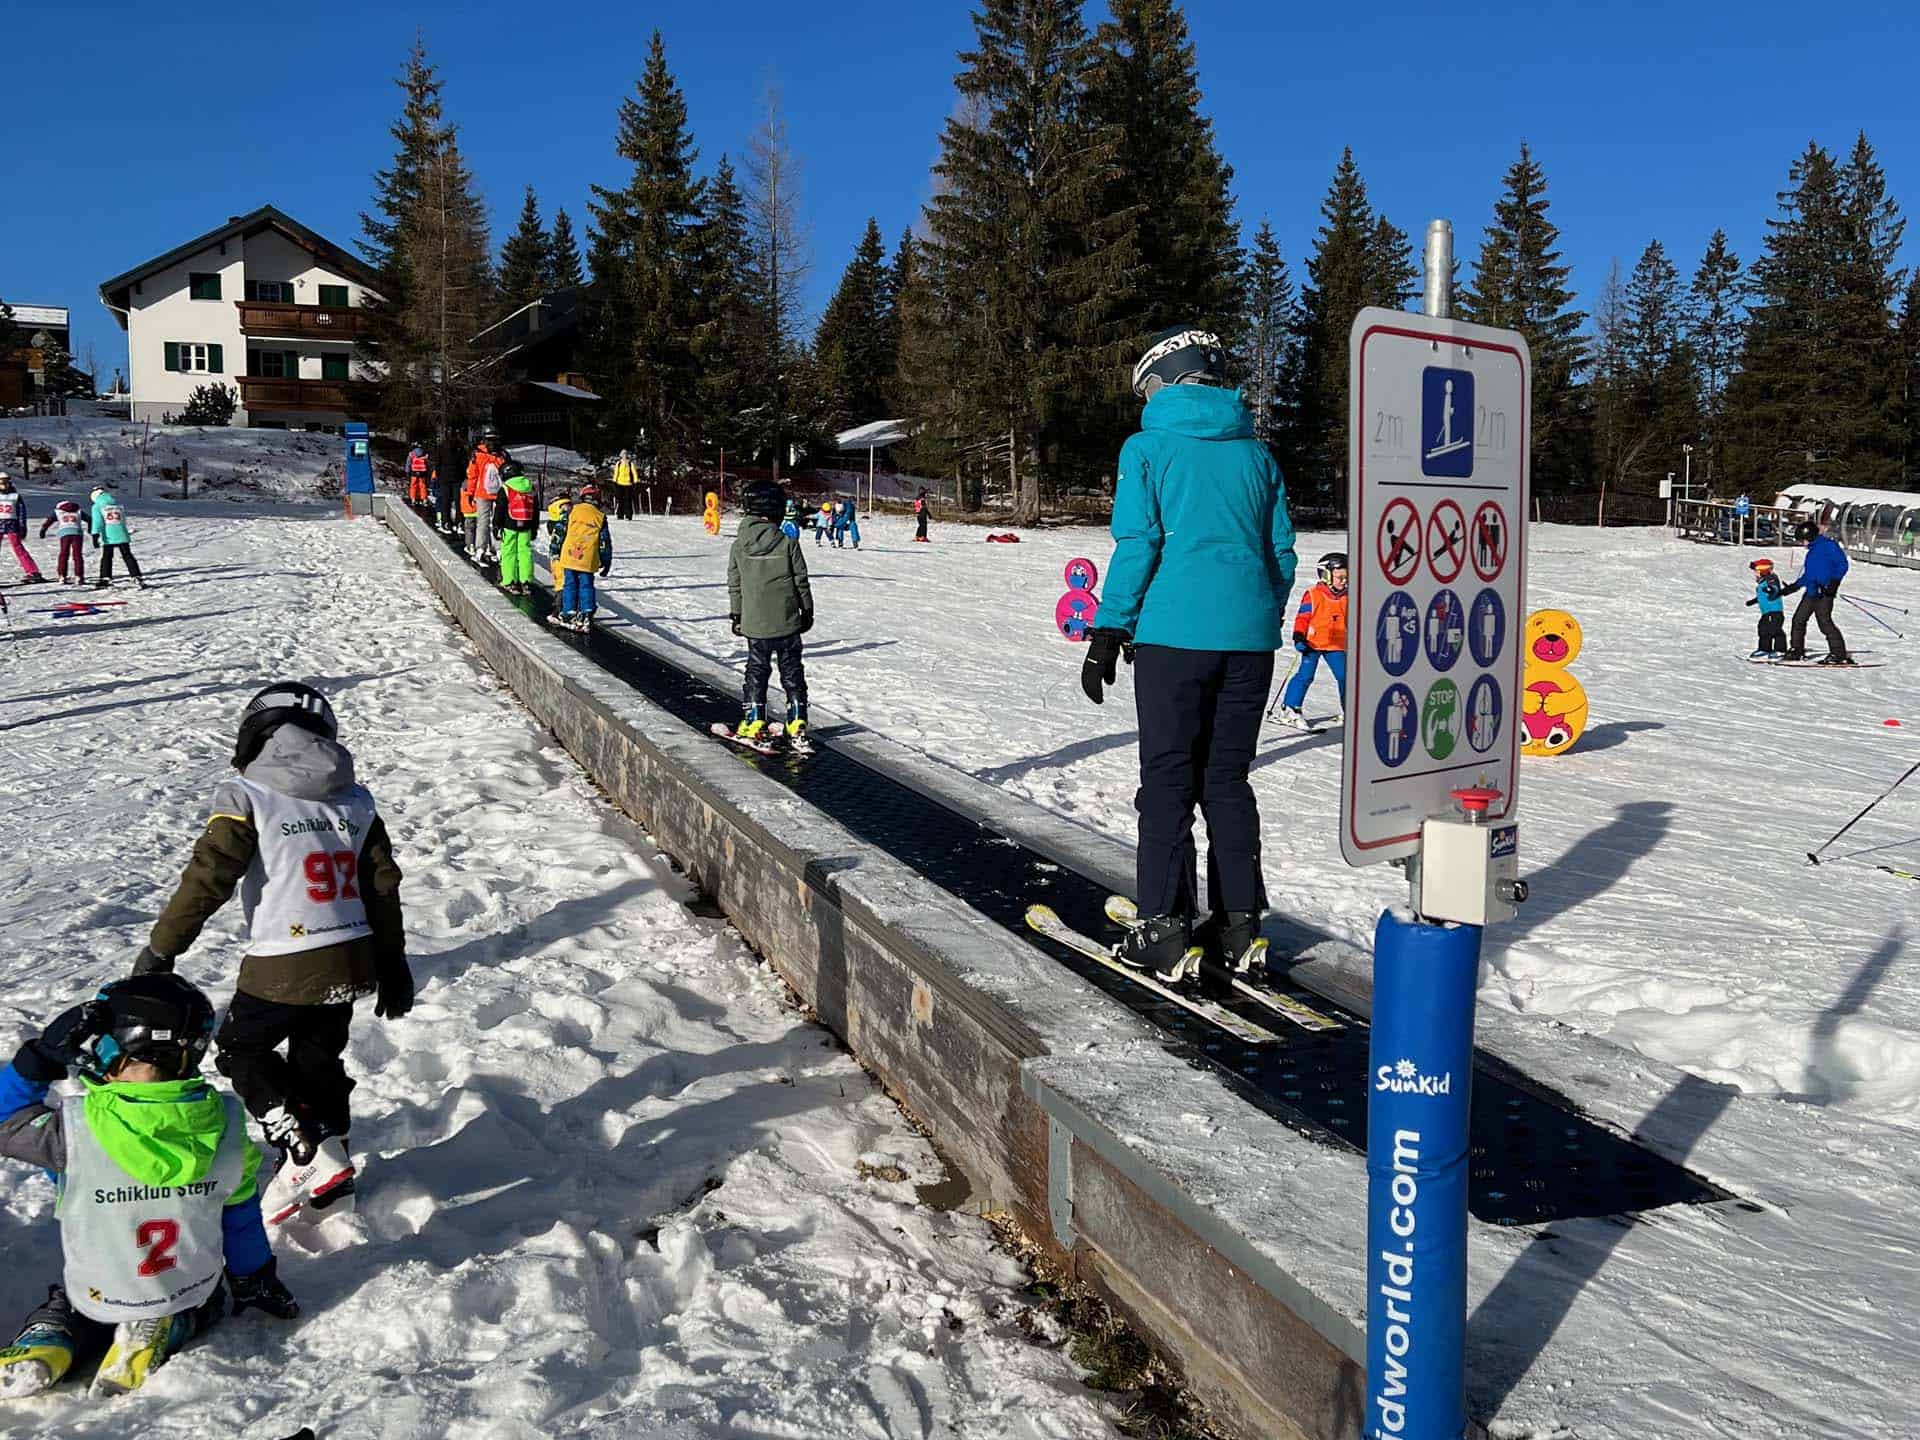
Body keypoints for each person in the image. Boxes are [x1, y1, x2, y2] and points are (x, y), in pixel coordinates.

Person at [135, 683, 412, 1229]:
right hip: (350, 955)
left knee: (240, 1048)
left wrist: (162, 949)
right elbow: (381, 885)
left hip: (284, 958)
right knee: (317, 1063)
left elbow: (209, 878)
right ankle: (334, 1183)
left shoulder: (247, 795)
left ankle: (305, 1147)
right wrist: (392, 961)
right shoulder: (356, 800)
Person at [1081, 326, 1295, 988]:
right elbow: (1281, 555)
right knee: (1227, 780)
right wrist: (1254, 610)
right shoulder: (1257, 456)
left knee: (1169, 778)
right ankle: (1238, 926)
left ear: (1163, 382)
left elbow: (1139, 541)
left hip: (1173, 636)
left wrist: (1109, 627)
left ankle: (1163, 929)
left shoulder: (1146, 448)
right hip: (1249, 641)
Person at [0, 974, 297, 1397]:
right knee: (196, 1299)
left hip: (98, 1291)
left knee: (74, 1302)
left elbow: (3, 1117)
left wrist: (39, 1058)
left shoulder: (74, 1134)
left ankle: (51, 1336)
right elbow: (240, 1218)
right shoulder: (228, 1131)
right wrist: (256, 1279)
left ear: (117, 1047)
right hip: (188, 1287)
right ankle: (162, 1325)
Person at [727, 478, 813, 744]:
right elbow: (801, 580)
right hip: (787, 622)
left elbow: (735, 583)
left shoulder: (739, 545)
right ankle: (797, 718)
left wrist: (737, 614)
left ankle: (754, 719)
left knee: (757, 670)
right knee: (791, 670)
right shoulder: (788, 543)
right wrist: (806, 611)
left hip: (755, 624)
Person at [1274, 553, 1348, 727]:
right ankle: (1290, 709)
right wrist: (1299, 636)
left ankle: (1350, 709)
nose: (1344, 581)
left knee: (1346, 676)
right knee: (1305, 675)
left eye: (1347, 577)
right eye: (1340, 577)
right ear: (1326, 575)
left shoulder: (1347, 597)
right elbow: (1302, 618)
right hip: (1312, 644)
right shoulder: (1313, 595)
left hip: (1336, 645)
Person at [1782, 518, 1851, 664]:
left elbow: (1842, 565)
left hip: (1825, 593)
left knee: (1824, 622)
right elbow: (1809, 576)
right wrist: (1793, 587)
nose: (1802, 544)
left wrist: (1834, 583)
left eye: (1803, 540)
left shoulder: (1828, 546)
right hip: (1811, 592)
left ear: (1810, 536)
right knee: (1798, 620)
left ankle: (1838, 654)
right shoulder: (1812, 552)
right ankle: (1796, 650)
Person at [554, 483, 612, 631]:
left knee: (570, 584)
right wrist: (606, 561)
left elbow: (559, 531)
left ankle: (568, 611)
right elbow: (604, 542)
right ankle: (586, 612)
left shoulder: (572, 511)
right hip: (588, 557)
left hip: (570, 554)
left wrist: (555, 550)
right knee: (586, 585)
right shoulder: (600, 517)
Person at [495, 460, 540, 596]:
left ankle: (509, 581)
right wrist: (534, 527)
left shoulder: (506, 489)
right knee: (525, 552)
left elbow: (500, 509)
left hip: (509, 525)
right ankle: (526, 581)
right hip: (526, 525)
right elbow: (535, 509)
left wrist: (497, 525)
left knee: (509, 552)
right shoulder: (530, 488)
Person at [89, 485, 145, 590]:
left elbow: (97, 522)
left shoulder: (97, 506)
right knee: (127, 555)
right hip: (122, 533)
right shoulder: (117, 506)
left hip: (108, 535)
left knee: (107, 556)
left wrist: (95, 535)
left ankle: (106, 577)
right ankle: (136, 576)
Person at [0, 472, 46, 583]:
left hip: (12, 525)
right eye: (1, 483)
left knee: (18, 548)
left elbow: (21, 512)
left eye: (6, 482)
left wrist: (22, 527)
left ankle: (33, 572)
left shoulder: (15, 496)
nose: (4, 485)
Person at [39, 496, 87, 585]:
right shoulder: (78, 511)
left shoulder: (58, 512)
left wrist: (43, 530)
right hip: (77, 533)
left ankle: (62, 576)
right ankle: (79, 576)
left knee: (63, 554)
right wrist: (91, 530)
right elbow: (89, 519)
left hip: (64, 533)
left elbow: (49, 521)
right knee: (77, 555)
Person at [1746, 557, 1787, 659]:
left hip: (1775, 611)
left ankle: (1780, 650)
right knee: (1763, 629)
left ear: (1763, 571)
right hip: (1766, 612)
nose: (1755, 574)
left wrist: (1771, 590)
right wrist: (1753, 601)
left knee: (1775, 630)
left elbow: (1775, 588)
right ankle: (1764, 649)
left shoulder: (1771, 578)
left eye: (1756, 571)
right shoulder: (1761, 583)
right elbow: (1762, 596)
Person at [612, 449, 639, 521]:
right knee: (620, 500)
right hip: (619, 484)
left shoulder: (630, 463)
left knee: (628, 500)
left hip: (628, 484)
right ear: (621, 456)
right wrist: (614, 482)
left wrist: (636, 482)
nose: (624, 456)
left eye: (625, 454)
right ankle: (620, 515)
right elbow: (616, 473)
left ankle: (628, 515)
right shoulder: (618, 463)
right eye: (623, 454)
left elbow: (634, 473)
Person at [405, 441, 432, 507]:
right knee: (422, 486)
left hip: (414, 472)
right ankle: (424, 500)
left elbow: (408, 463)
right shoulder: (424, 454)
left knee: (413, 486)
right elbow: (428, 464)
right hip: (422, 472)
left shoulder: (411, 454)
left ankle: (413, 499)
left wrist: (407, 472)